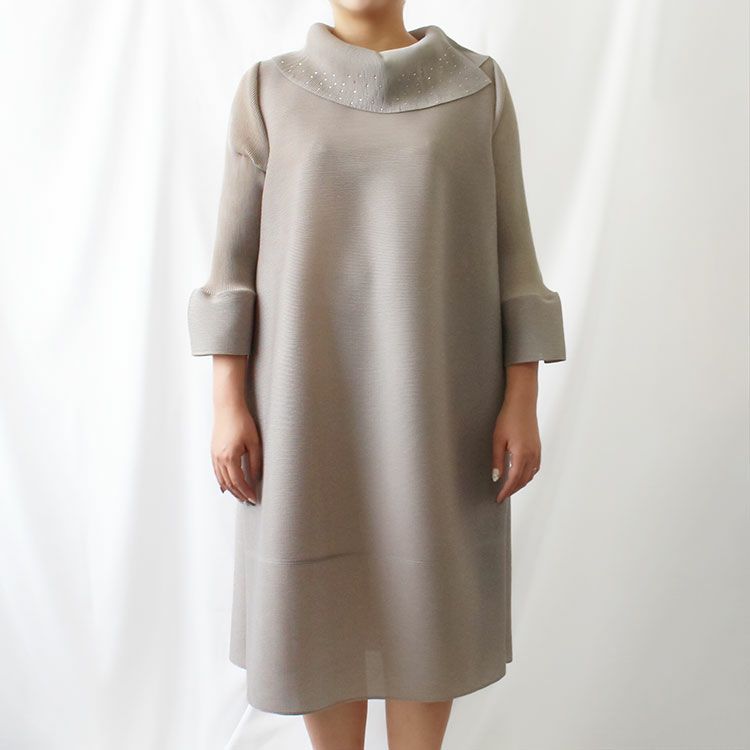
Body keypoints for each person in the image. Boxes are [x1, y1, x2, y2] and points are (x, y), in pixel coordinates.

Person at [187, 1, 566, 747]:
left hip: (442, 401)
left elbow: (514, 258)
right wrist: (229, 400)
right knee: (315, 598)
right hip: (304, 402)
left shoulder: (477, 89)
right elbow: (232, 267)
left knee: (431, 597)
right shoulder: (269, 90)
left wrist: (522, 396)